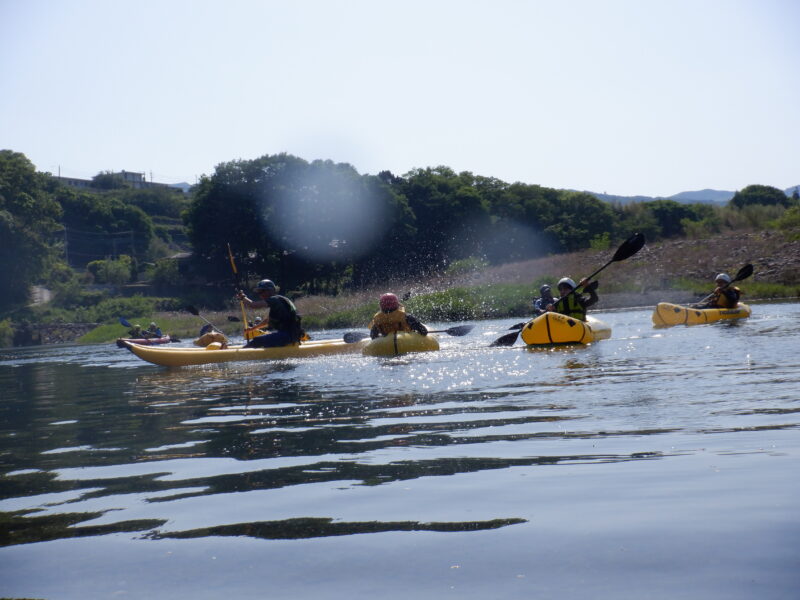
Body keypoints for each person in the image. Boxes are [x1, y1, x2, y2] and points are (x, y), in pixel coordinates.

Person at [237, 279, 304, 348]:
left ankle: (241, 356)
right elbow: (267, 321)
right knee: (265, 342)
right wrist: (252, 329)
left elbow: (253, 305)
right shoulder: (280, 301)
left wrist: (243, 297)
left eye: (262, 291)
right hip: (292, 335)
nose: (260, 295)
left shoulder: (274, 299)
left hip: (287, 336)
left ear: (271, 290)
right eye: (259, 292)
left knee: (257, 340)